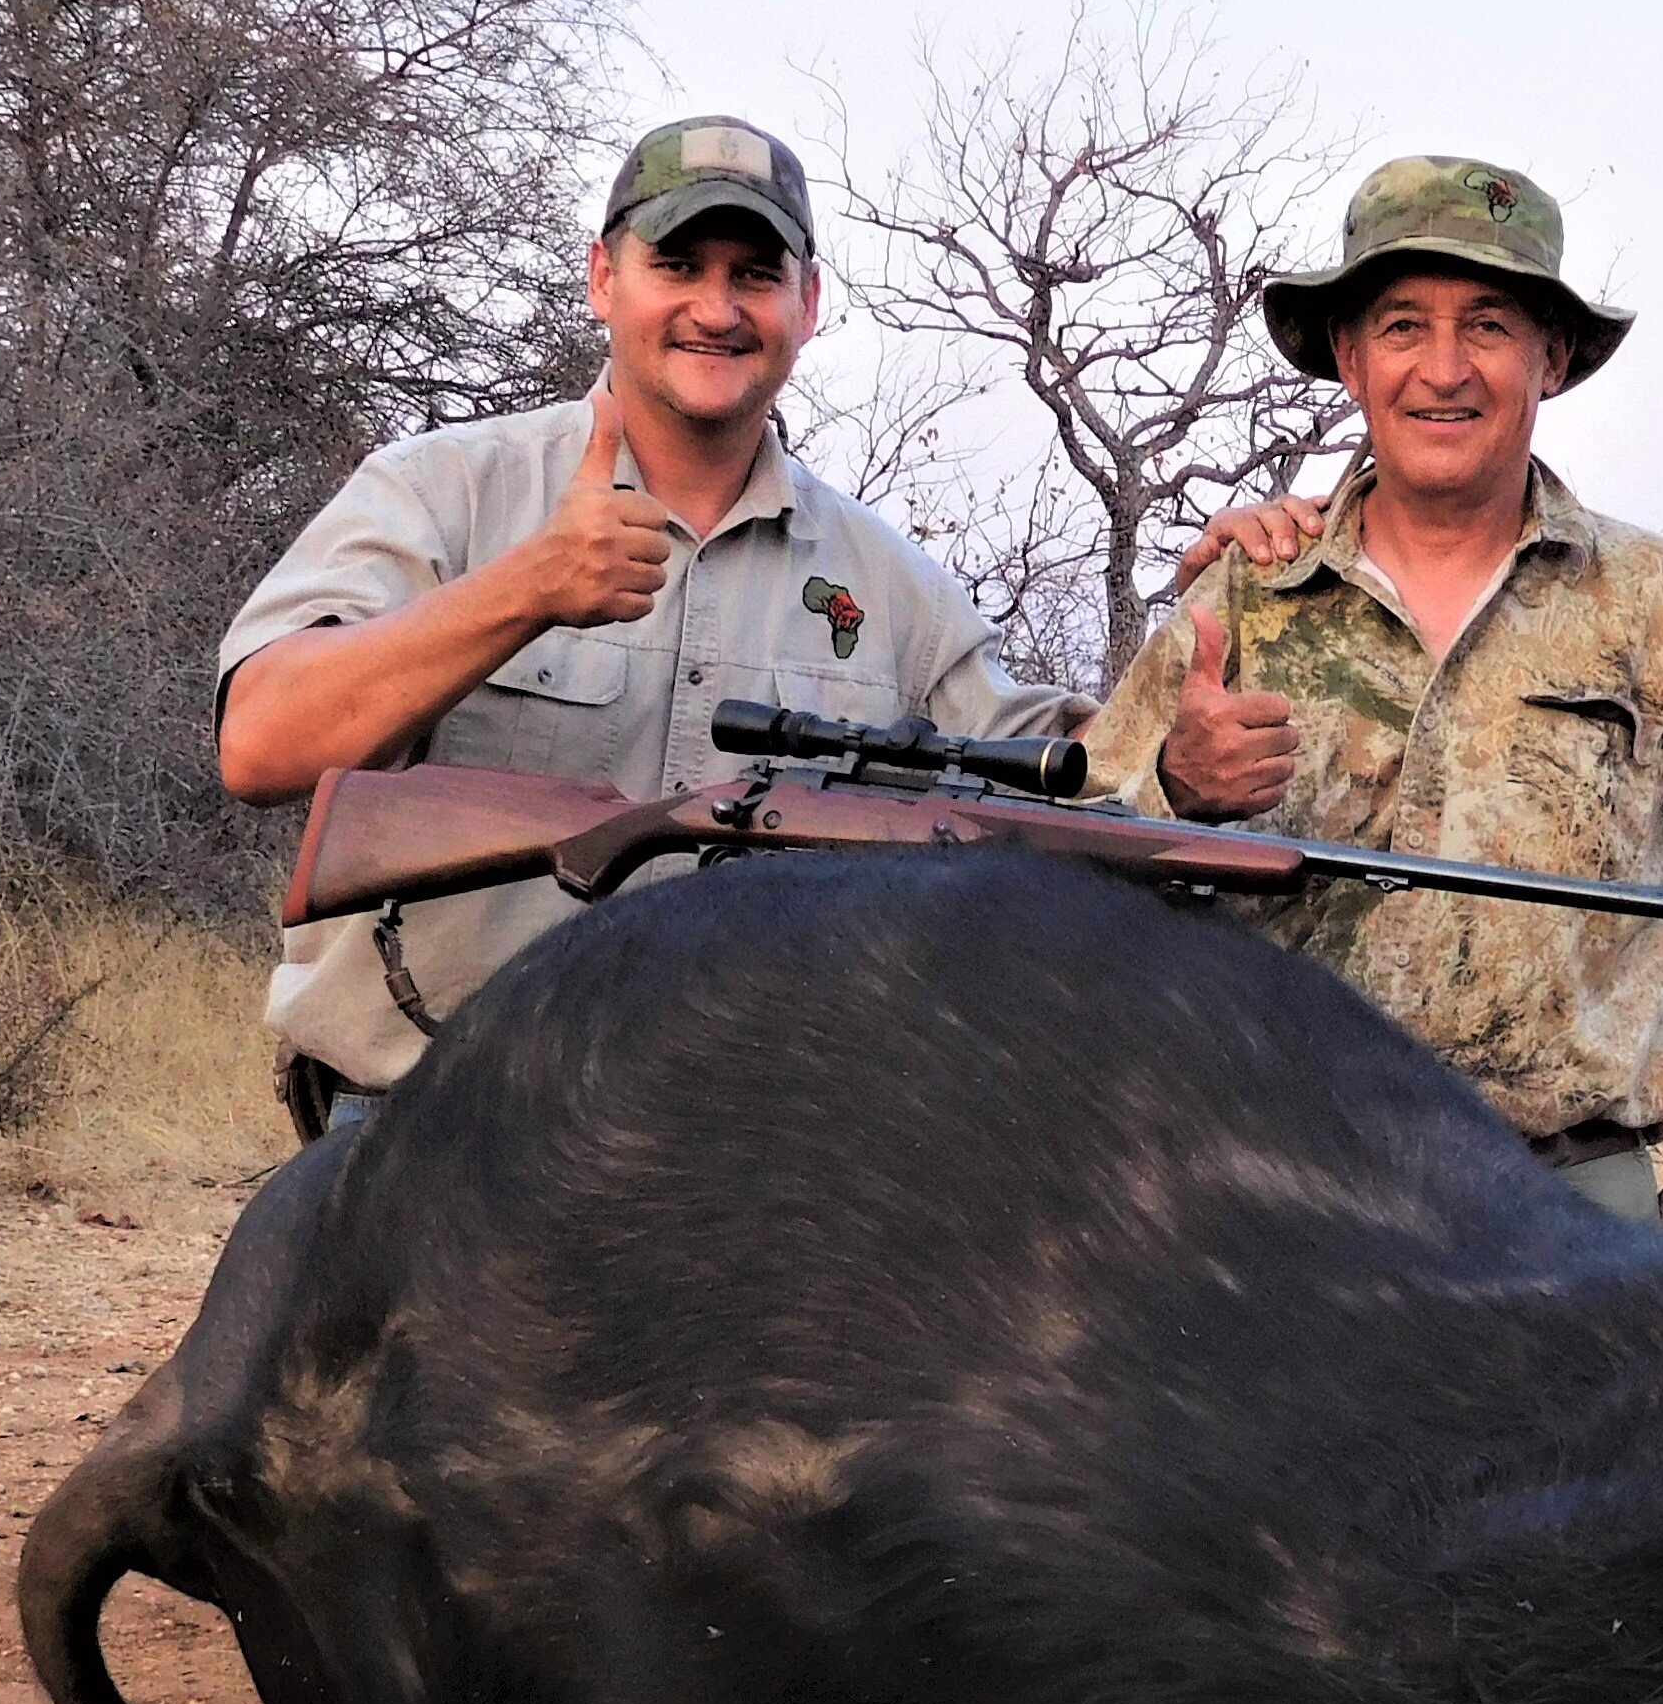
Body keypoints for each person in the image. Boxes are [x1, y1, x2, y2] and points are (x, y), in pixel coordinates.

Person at [218, 115, 1094, 1127]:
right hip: (428, 1136)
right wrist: (527, 589)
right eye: (677, 263)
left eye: (756, 276)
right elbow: (261, 744)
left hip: (722, 1166)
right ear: (603, 277)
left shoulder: (887, 581)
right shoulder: (444, 489)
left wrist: (1179, 748)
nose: (716, 309)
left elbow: (1056, 776)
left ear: (809, 304)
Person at [1081, 154, 1663, 1227]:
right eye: (1405, 326)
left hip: (1567, 1205)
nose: (1445, 369)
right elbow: (1066, 859)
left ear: (1552, 359)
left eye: (1492, 327)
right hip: (1253, 1191)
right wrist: (1175, 790)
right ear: (1350, 356)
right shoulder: (1239, 601)